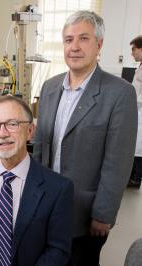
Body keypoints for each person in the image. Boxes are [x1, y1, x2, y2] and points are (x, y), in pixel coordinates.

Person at [33, 10, 138, 266]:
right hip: (46, 204)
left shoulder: (119, 93)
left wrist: (103, 213)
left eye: (83, 39)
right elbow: (40, 148)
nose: (75, 47)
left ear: (99, 44)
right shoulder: (49, 87)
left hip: (85, 211)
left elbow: (118, 161)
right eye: (69, 40)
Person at [0, 95, 74, 265]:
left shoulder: (59, 188)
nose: (2, 133)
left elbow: (58, 250)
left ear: (30, 131)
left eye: (12, 124)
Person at [128, 35, 142, 187]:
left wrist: (132, 99)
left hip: (140, 111)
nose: (132, 53)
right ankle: (133, 177)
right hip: (136, 111)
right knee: (134, 145)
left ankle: (136, 179)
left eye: (134, 49)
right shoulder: (140, 66)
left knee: (138, 147)